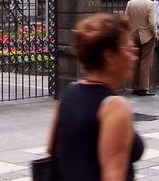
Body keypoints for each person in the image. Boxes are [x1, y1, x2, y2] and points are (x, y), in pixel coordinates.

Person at [47, 13, 144, 180]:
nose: (134, 57)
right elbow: (113, 175)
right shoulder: (115, 106)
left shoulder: (69, 93)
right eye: (128, 49)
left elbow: (52, 151)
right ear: (109, 55)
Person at [124, 0, 158, 96]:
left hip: (133, 35)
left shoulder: (130, 3)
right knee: (145, 62)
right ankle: (144, 87)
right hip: (147, 36)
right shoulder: (150, 4)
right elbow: (152, 23)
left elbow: (126, 20)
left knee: (135, 61)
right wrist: (155, 34)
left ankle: (135, 86)